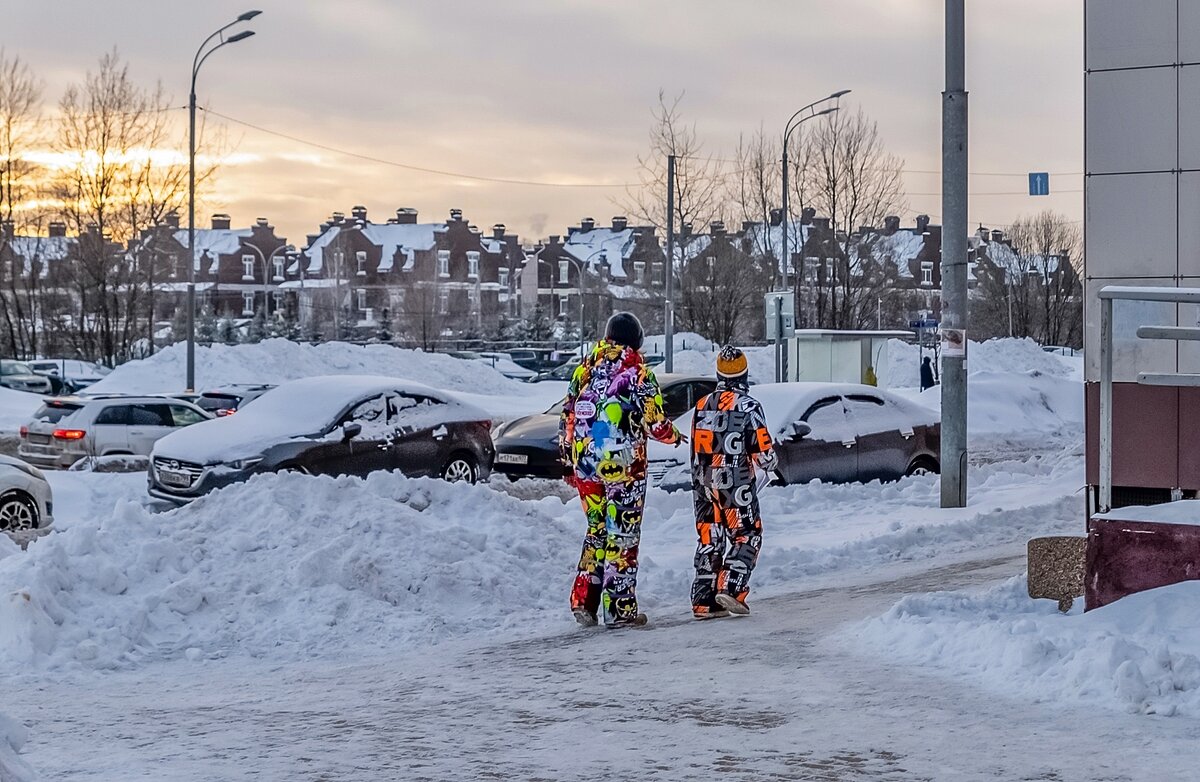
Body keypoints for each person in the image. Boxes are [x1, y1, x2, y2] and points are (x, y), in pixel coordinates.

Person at [559, 312, 682, 628]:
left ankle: (583, 601)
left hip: (586, 465)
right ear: (637, 340)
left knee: (596, 529)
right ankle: (620, 610)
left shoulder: (583, 370)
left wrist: (570, 456)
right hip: (624, 467)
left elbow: (567, 415)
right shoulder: (639, 374)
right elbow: (656, 424)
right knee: (621, 535)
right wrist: (675, 436)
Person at [689, 346, 777, 619]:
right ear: (745, 374)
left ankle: (704, 601)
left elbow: (693, 447)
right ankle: (731, 587)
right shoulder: (749, 406)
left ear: (718, 374)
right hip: (735, 481)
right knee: (747, 533)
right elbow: (763, 453)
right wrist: (770, 463)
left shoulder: (702, 405)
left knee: (710, 537)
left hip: (703, 480)